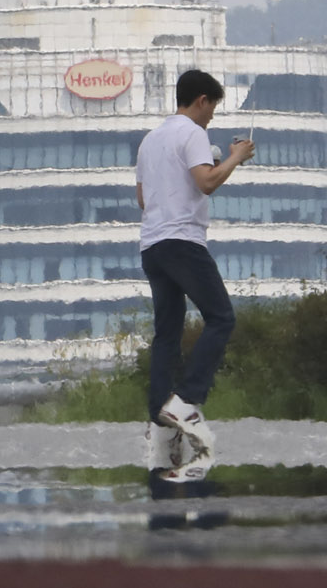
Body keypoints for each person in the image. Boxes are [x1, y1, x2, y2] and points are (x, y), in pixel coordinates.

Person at [137, 68, 252, 464]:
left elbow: (142, 199)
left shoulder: (150, 141)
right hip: (183, 241)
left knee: (167, 332)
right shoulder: (192, 133)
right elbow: (206, 183)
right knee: (221, 317)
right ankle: (187, 400)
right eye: (213, 108)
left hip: (151, 245)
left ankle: (159, 420)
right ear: (201, 100)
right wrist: (235, 157)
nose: (212, 117)